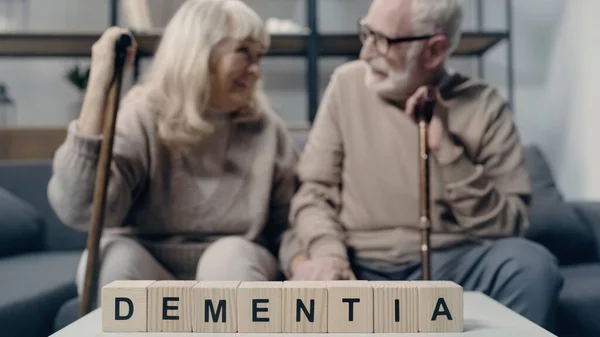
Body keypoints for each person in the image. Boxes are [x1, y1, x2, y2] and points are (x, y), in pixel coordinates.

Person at [287, 0, 563, 331]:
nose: (365, 54)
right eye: (367, 34)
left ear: (434, 51)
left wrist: (447, 150)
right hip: (359, 263)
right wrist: (329, 255)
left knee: (531, 266)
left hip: (455, 262)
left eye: (383, 41)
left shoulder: (485, 105)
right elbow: (313, 194)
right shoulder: (346, 85)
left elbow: (508, 226)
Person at [47, 0, 300, 308]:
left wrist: (304, 262)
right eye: (244, 51)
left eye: (260, 56)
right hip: (149, 262)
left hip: (232, 265)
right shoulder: (142, 114)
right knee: (111, 258)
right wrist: (99, 84)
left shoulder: (267, 128)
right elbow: (80, 208)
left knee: (228, 258)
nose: (256, 71)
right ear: (199, 51)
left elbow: (287, 224)